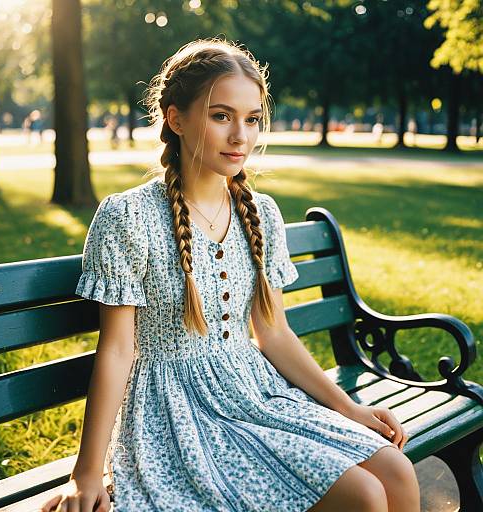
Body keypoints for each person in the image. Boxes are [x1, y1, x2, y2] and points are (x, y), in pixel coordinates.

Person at [40, 37, 420, 512]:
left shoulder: (260, 213)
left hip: (256, 394)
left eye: (252, 118)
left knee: (397, 473)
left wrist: (350, 409)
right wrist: (87, 472)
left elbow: (274, 332)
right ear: (175, 119)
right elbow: (118, 348)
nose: (241, 136)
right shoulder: (128, 216)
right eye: (222, 116)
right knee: (363, 495)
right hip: (177, 412)